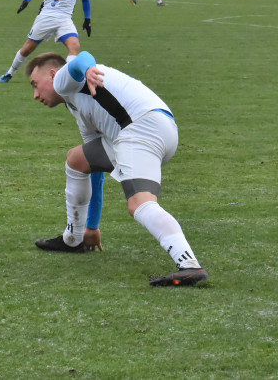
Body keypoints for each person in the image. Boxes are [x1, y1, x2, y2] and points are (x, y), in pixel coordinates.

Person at [25, 50, 207, 286]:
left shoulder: (63, 79)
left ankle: (189, 265)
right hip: (153, 129)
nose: (35, 94)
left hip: (142, 129)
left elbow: (81, 59)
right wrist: (92, 226)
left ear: (52, 74)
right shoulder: (79, 107)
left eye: (35, 84)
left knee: (139, 204)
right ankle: (74, 238)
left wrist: (89, 68)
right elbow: (94, 168)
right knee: (77, 160)